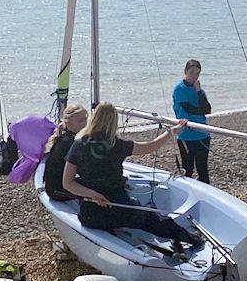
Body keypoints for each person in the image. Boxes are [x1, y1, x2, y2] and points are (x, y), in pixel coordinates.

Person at [62, 102, 203, 257]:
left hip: (90, 214)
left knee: (122, 215)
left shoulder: (78, 145)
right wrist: (171, 132)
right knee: (153, 220)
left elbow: (67, 183)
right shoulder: (117, 145)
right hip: (119, 208)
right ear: (113, 122)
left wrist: (92, 194)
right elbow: (151, 146)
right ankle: (192, 239)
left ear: (94, 119)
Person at [172, 59, 212, 184]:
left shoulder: (199, 90)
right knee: (187, 169)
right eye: (191, 73)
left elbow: (207, 109)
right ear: (185, 71)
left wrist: (199, 92)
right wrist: (201, 110)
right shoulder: (179, 89)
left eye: (197, 73)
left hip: (202, 134)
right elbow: (189, 109)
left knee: (202, 169)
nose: (194, 76)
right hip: (186, 135)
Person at [43, 104, 88, 200]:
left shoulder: (63, 136)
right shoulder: (71, 142)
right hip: (58, 191)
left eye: (85, 119)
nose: (85, 123)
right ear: (68, 123)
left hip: (53, 187)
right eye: (80, 121)